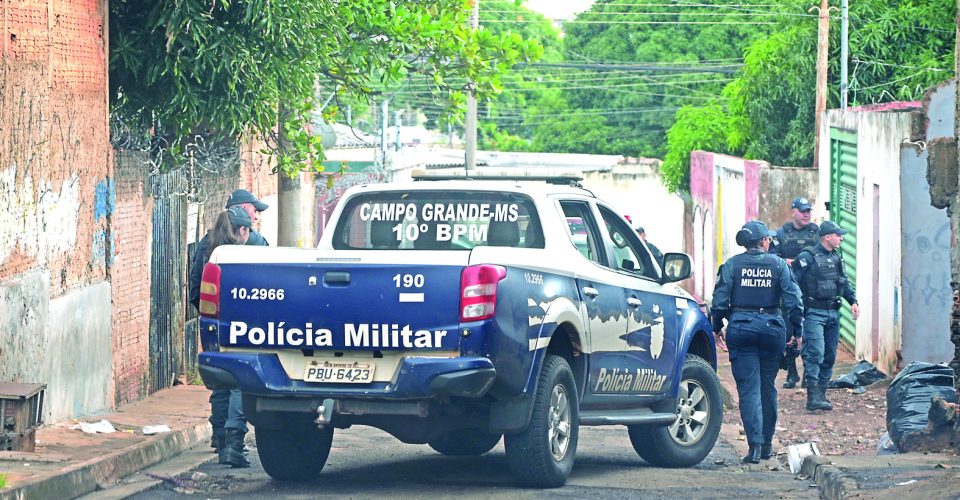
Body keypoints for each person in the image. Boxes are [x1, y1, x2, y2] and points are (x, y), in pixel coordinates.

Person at [711, 220, 803, 464]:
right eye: (768, 239)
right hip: (772, 329)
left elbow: (719, 301)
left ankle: (754, 447)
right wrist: (798, 331)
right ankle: (767, 445)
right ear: (763, 241)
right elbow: (794, 301)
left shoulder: (732, 265)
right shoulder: (779, 265)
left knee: (749, 390)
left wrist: (716, 326)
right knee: (767, 387)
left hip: (741, 328)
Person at [189, 190, 269, 467]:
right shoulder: (256, 245)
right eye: (253, 211)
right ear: (243, 229)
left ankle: (220, 438)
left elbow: (195, 287)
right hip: (246, 325)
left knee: (220, 378)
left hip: (213, 323)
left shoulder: (206, 244)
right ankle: (234, 444)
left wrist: (208, 315)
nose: (255, 216)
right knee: (239, 381)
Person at [792, 220, 859, 412]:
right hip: (813, 312)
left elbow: (843, 282)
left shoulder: (837, 257)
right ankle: (812, 396)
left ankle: (821, 394)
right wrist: (795, 313)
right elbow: (792, 285)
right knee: (815, 353)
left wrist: (853, 301)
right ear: (827, 237)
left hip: (833, 313)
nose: (841, 239)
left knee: (830, 355)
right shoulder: (806, 257)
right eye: (838, 235)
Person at [770, 197, 819, 389]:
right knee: (789, 333)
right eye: (802, 211)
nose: (806, 214)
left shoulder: (817, 233)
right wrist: (785, 262)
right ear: (793, 212)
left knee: (810, 334)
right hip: (789, 291)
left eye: (808, 211)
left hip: (811, 290)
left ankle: (808, 373)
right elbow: (772, 255)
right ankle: (792, 373)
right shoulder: (781, 234)